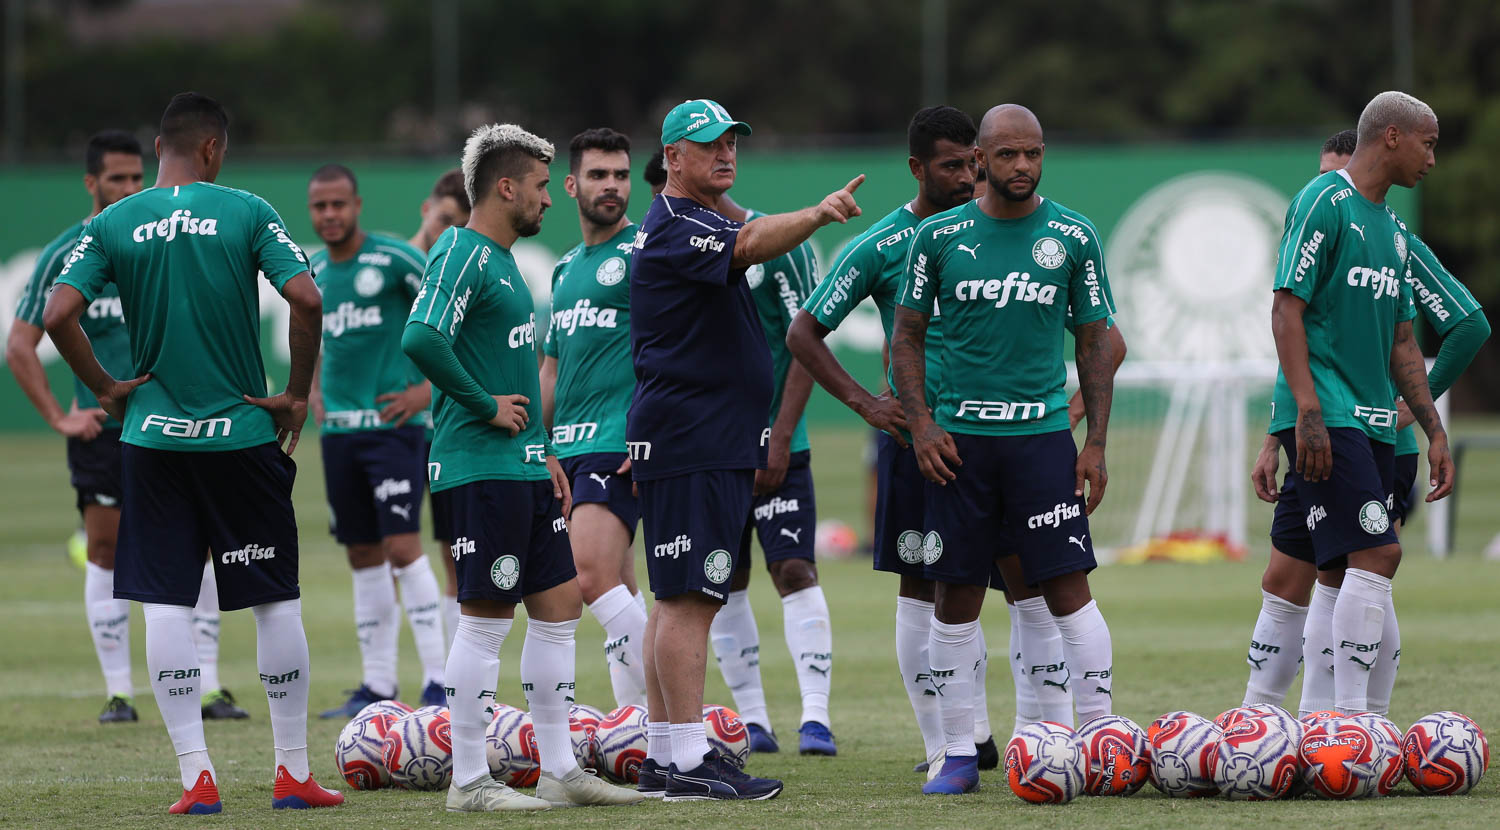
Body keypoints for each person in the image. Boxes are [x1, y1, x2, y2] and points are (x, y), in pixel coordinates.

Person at [43, 91, 342, 813]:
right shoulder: (245, 209)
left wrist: (107, 388)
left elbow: (57, 314)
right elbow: (306, 300)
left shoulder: (115, 220)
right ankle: (292, 774)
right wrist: (297, 394)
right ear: (213, 149)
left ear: (159, 148)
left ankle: (196, 779)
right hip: (240, 434)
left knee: (166, 601)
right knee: (274, 603)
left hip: (150, 441)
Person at [402, 123, 643, 812]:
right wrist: (483, 405)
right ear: (505, 187)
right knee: (485, 617)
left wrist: (542, 452)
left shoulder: (506, 261)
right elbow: (421, 337)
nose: (548, 199)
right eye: (540, 187)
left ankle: (560, 767)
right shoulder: (464, 252)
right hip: (478, 467)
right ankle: (469, 781)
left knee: (561, 604)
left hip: (524, 467)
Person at [629, 98, 861, 802]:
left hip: (700, 435)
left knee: (678, 598)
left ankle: (668, 756)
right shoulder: (677, 225)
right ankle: (687, 756)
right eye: (709, 145)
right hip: (691, 436)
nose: (727, 153)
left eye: (733, 142)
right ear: (672, 157)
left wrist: (741, 207)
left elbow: (743, 226)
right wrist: (818, 216)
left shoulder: (695, 215)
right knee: (690, 597)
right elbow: (752, 244)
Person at [891, 104, 1119, 795]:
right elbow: (906, 336)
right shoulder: (938, 236)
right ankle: (958, 754)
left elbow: (1094, 344)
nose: (1023, 166)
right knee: (954, 596)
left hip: (1043, 443)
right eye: (1009, 154)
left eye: (1035, 153)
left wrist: (1095, 442)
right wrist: (922, 424)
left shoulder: (1073, 235)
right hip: (960, 449)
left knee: (1067, 591)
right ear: (980, 159)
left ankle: (1100, 737)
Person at [1242, 130, 1487, 717]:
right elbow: (1296, 330)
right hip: (1322, 424)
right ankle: (1268, 720)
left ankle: (1351, 723)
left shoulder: (1394, 235)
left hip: (1377, 435)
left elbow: (1459, 326)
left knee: (1365, 563)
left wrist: (1423, 419)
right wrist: (1281, 431)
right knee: (1293, 574)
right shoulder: (1322, 205)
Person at [8, 129, 248, 724]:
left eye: (138, 177)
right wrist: (60, 415)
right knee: (106, 549)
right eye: (117, 178)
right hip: (106, 432)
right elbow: (21, 343)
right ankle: (119, 692)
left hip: (174, 424)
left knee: (203, 550)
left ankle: (211, 686)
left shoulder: (162, 239)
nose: (130, 188)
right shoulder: (70, 249)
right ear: (91, 183)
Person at [304, 164, 449, 717]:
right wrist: (313, 387)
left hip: (394, 431)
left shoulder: (395, 259)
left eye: (339, 205)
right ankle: (379, 685)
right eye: (320, 207)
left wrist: (426, 392)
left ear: (357, 205)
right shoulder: (311, 270)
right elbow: (309, 335)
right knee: (363, 553)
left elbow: (452, 317)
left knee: (403, 547)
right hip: (341, 434)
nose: (330, 215)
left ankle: (437, 680)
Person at [709, 191, 834, 756]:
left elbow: (807, 339)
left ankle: (816, 718)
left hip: (780, 443)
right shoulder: (669, 247)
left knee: (792, 568)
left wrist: (780, 436)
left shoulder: (775, 241)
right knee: (724, 578)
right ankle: (753, 719)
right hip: (712, 452)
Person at [539, 127, 649, 709]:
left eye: (621, 175)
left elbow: (674, 348)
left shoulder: (644, 253)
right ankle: (637, 727)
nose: (612, 186)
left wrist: (651, 426)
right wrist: (537, 441)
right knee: (621, 587)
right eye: (599, 174)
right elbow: (551, 370)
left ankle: (676, 717)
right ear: (571, 183)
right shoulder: (563, 269)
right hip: (568, 447)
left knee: (590, 579)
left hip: (617, 440)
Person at [408, 169, 471, 651]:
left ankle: (448, 674)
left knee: (454, 553)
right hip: (399, 433)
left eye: (457, 221)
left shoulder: (460, 267)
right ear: (426, 208)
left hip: (446, 428)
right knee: (388, 550)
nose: (446, 229)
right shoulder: (402, 264)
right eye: (442, 216)